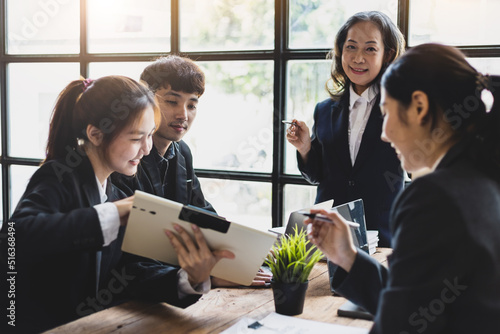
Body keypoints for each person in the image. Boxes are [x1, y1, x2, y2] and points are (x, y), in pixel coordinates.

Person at [0, 76, 234, 333]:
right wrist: (116, 213)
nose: (146, 150)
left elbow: (126, 274)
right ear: (96, 134)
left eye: (150, 136)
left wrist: (190, 278)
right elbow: (14, 236)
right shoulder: (59, 176)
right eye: (136, 139)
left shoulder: (112, 191)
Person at [306, 43, 500, 333]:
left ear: (419, 107)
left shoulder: (433, 197)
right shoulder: (484, 180)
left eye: (386, 113)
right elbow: (418, 302)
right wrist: (349, 257)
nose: (384, 135)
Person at [112, 55, 272, 287]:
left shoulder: (182, 151)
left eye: (192, 105)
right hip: (139, 284)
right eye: (172, 101)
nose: (183, 115)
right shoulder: (127, 158)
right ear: (145, 101)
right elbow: (133, 249)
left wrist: (245, 250)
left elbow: (199, 210)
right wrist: (204, 275)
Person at [286, 11, 405, 246]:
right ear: (341, 50)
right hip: (328, 238)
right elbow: (318, 176)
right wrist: (305, 148)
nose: (358, 58)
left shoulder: (401, 108)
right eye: (351, 47)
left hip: (383, 238)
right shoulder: (324, 109)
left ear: (388, 54)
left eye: (370, 49)